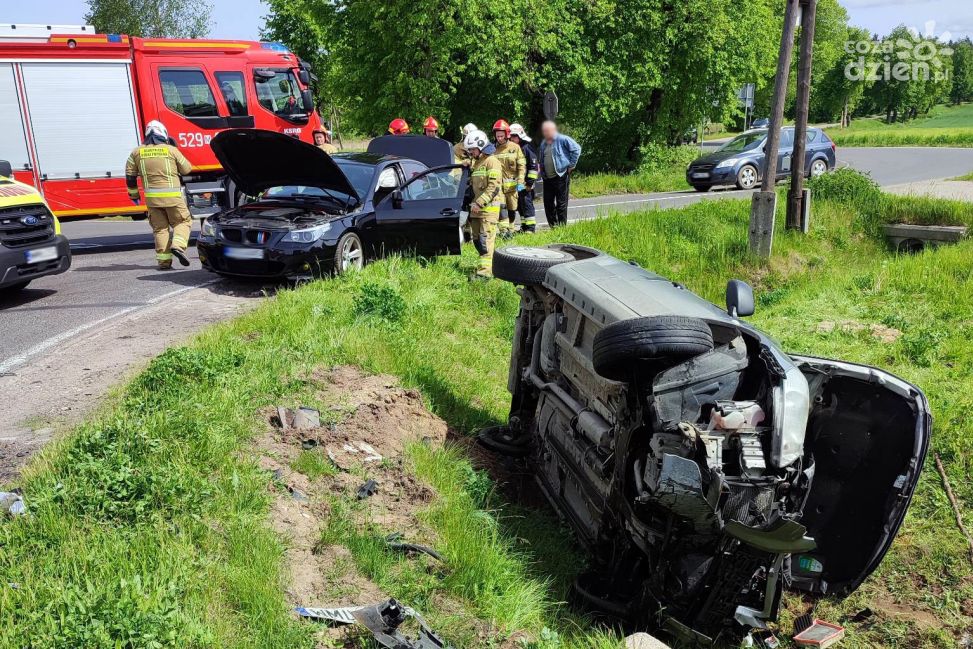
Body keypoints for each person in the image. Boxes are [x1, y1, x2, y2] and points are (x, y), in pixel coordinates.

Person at [125, 120, 193, 270]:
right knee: (183, 222)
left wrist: (134, 196)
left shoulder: (136, 152)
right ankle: (178, 246)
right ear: (163, 134)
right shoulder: (170, 150)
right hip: (173, 199)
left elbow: (130, 176)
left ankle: (164, 262)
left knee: (160, 229)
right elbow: (187, 169)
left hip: (152, 201)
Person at [464, 129, 502, 278]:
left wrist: (479, 203)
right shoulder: (478, 163)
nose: (471, 153)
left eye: (472, 149)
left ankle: (484, 274)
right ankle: (484, 268)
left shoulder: (492, 162)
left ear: (480, 146)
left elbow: (494, 187)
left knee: (485, 242)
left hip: (487, 211)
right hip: (476, 211)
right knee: (478, 242)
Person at [538, 120, 581, 227]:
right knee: (548, 204)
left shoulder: (562, 139)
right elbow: (541, 159)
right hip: (547, 178)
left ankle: (562, 228)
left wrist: (571, 165)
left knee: (561, 204)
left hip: (561, 175)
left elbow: (577, 149)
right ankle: (553, 227)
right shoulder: (544, 143)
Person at [491, 119, 525, 238]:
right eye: (497, 136)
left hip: (512, 186)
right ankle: (504, 231)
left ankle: (511, 229)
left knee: (512, 209)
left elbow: (521, 165)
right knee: (501, 207)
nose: (499, 138)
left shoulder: (515, 147)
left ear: (506, 134)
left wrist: (520, 181)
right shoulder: (492, 149)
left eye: (501, 136)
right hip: (498, 187)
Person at [509, 123, 539, 233]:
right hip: (518, 183)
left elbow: (533, 166)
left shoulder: (527, 147)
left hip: (526, 184)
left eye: (514, 136)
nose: (512, 139)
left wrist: (529, 183)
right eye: (511, 136)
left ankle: (530, 228)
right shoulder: (514, 148)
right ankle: (524, 227)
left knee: (527, 205)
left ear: (519, 136)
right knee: (520, 206)